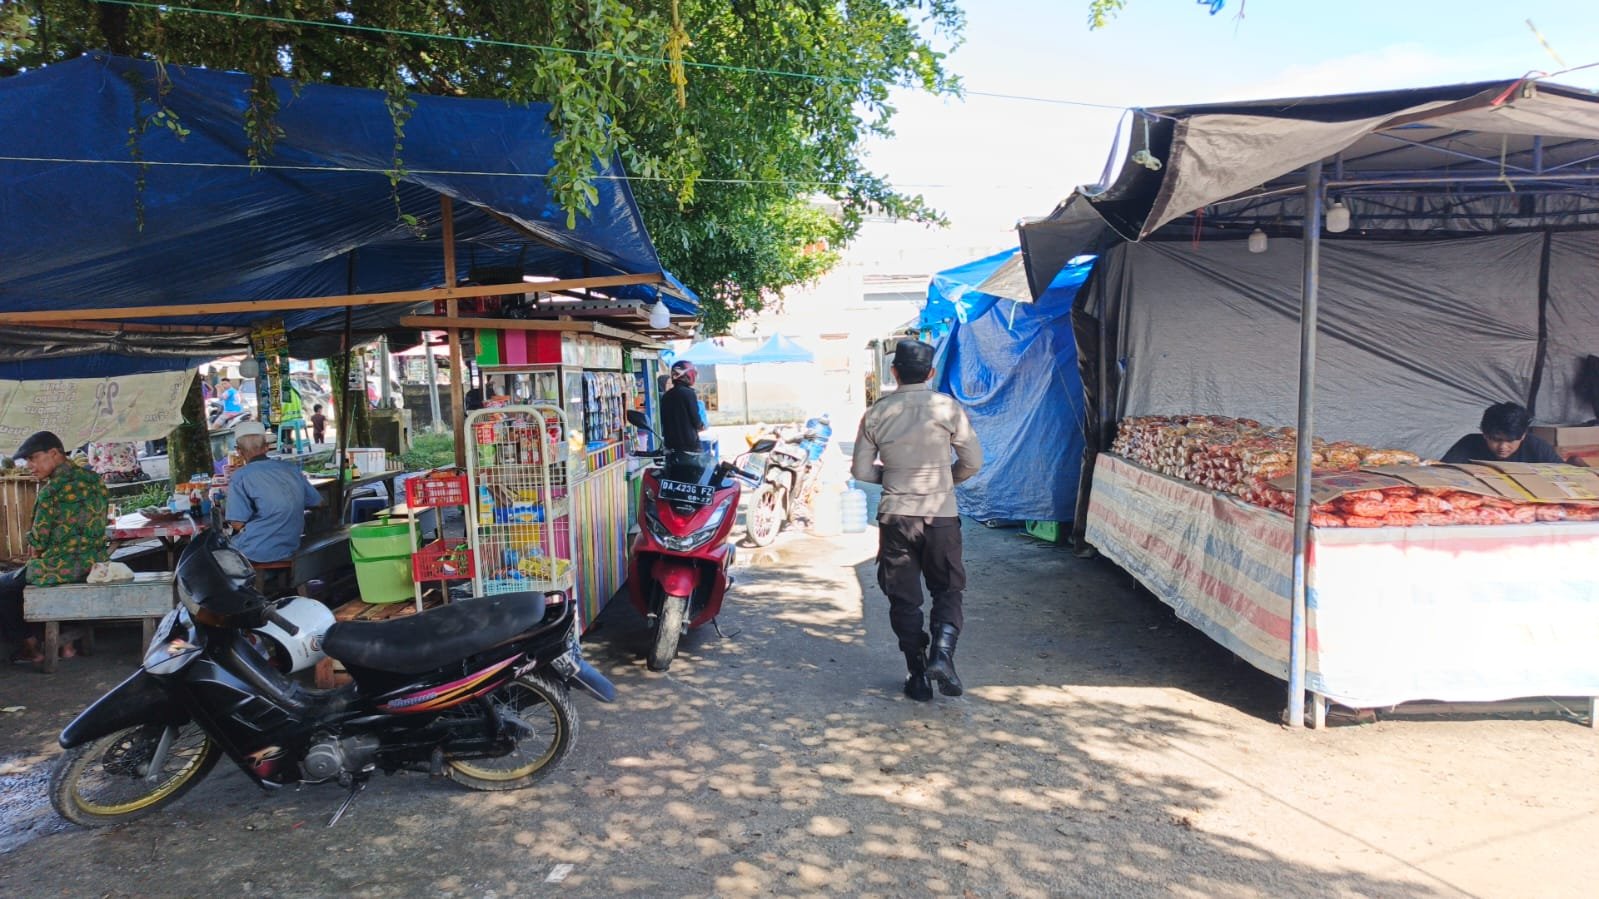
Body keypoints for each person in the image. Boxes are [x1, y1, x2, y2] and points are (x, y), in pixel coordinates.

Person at [851, 339, 983, 702]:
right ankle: (943, 654)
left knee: (904, 599)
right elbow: (973, 461)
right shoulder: (947, 408)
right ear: (930, 373)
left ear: (894, 373)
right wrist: (944, 479)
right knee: (948, 589)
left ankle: (918, 674)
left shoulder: (877, 413)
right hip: (941, 515)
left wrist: (894, 478)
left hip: (896, 518)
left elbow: (861, 469)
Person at [2, 431, 109, 663]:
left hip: (61, 568)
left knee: (5, 588)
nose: (30, 466)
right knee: (58, 583)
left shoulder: (52, 490)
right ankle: (67, 646)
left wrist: (36, 554)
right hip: (95, 565)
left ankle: (32, 649)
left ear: (54, 453)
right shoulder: (95, 480)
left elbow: (39, 541)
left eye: (33, 458)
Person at [223, 421, 323, 564]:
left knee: (218, 554)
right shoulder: (290, 469)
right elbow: (318, 502)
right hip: (291, 543)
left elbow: (237, 523)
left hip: (258, 550)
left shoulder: (240, 477)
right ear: (266, 447)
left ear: (238, 451)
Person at [1442, 402, 1564, 464]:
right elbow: (1443, 473)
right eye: (1496, 439)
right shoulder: (1468, 443)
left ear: (1522, 436)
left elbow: (1562, 475)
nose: (1503, 447)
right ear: (1484, 434)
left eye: (1510, 440)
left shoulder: (1536, 446)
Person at [660, 360, 707, 453]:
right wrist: (701, 425)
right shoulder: (689, 393)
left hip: (670, 445)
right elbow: (695, 419)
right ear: (688, 374)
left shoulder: (666, 396)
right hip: (689, 446)